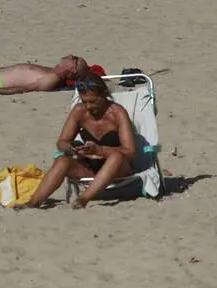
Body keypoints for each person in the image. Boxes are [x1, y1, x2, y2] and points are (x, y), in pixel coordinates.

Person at [19, 73, 136, 209]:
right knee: (62, 160)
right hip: (90, 169)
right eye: (84, 101)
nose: (88, 107)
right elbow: (61, 142)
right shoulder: (79, 111)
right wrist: (72, 149)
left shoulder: (118, 113)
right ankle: (33, 202)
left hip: (118, 169)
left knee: (116, 157)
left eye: (93, 101)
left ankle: (83, 199)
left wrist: (100, 150)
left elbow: (131, 152)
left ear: (104, 95)